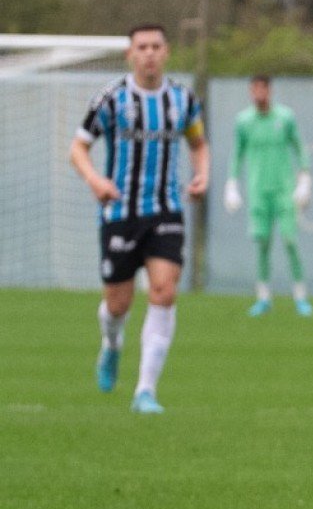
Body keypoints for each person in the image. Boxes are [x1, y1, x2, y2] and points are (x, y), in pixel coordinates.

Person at [69, 23, 209, 414]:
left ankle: (145, 390)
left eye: (156, 46)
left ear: (166, 53)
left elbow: (198, 143)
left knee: (164, 290)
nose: (149, 53)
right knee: (118, 304)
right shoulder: (111, 100)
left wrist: (203, 175)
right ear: (131, 54)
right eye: (142, 47)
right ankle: (112, 345)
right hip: (119, 212)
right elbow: (78, 148)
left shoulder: (183, 101)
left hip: (165, 211)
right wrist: (95, 180)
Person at [224, 73, 313, 316]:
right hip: (258, 191)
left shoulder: (285, 117)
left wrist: (305, 178)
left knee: (289, 240)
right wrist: (231, 183)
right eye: (254, 89)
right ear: (250, 92)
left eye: (263, 89)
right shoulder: (243, 121)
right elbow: (237, 154)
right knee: (262, 242)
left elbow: (299, 146)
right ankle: (263, 296)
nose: (259, 94)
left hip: (284, 190)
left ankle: (300, 296)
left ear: (269, 91)